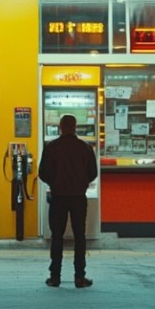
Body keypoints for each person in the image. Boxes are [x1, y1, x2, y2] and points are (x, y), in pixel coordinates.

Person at [38, 113, 98, 288]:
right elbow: (93, 172)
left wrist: (55, 182)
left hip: (58, 197)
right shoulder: (85, 147)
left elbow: (43, 173)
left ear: (60, 127)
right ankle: (80, 276)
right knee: (80, 236)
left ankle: (55, 276)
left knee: (57, 236)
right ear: (75, 127)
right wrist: (82, 182)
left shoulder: (52, 147)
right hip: (79, 197)